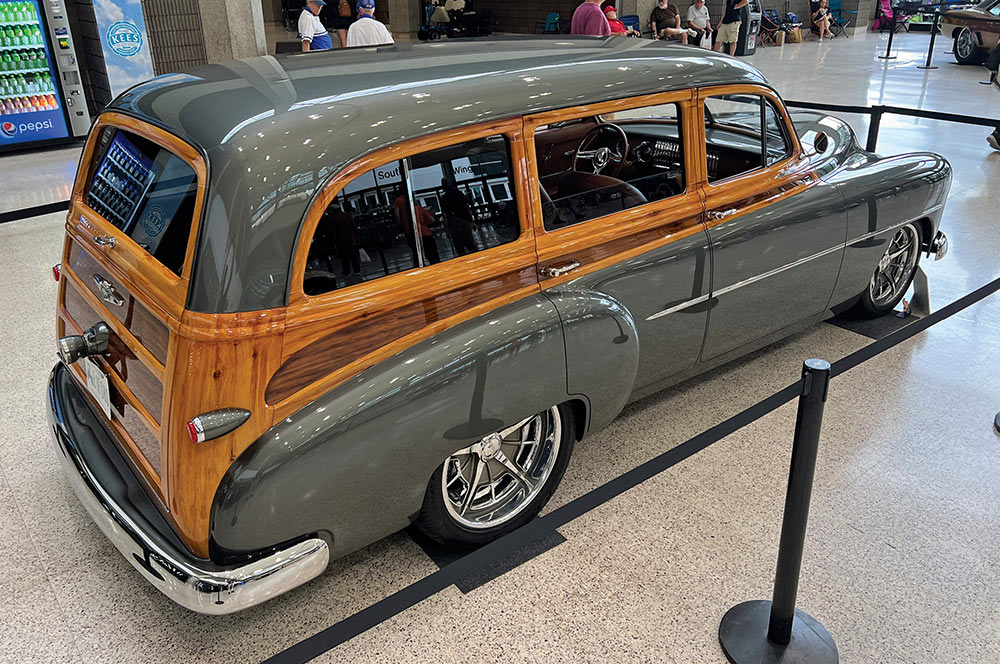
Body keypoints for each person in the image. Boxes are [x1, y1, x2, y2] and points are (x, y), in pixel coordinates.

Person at [394, 188, 440, 265]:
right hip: (425, 233)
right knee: (433, 256)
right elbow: (432, 220)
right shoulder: (419, 209)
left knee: (418, 256)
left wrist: (400, 226)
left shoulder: (398, 201)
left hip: (410, 232)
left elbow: (397, 215)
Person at [440, 178, 478, 256]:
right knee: (471, 245)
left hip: (454, 225)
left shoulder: (444, 198)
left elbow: (445, 215)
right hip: (465, 223)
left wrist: (447, 230)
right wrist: (472, 222)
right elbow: (467, 208)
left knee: (460, 248)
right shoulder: (459, 194)